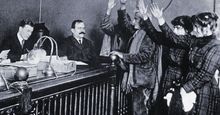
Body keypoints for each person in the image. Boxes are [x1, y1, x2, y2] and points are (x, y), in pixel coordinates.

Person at [151, 4, 220, 115]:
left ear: (206, 28)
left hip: (204, 89)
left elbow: (205, 75)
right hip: (189, 85)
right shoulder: (195, 40)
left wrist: (184, 89)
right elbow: (174, 38)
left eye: (196, 27)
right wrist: (160, 19)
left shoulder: (216, 47)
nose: (194, 30)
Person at [110, 0, 160, 114]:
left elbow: (144, 57)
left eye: (136, 19)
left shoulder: (148, 36)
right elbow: (125, 24)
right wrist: (123, 5)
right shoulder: (137, 33)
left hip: (142, 81)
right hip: (137, 80)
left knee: (140, 112)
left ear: (142, 22)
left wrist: (122, 55)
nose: (133, 21)